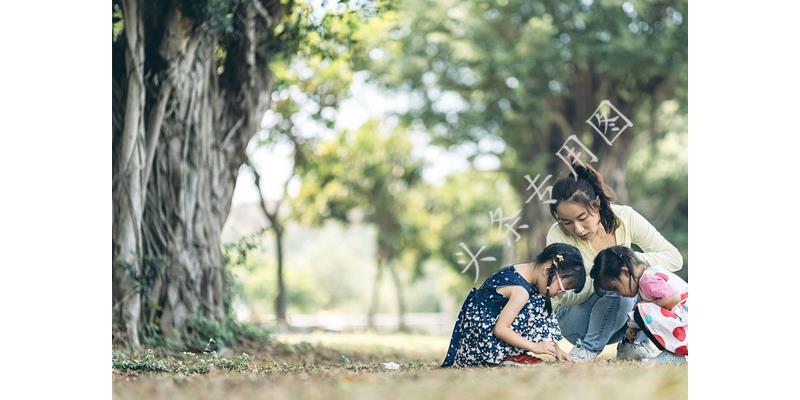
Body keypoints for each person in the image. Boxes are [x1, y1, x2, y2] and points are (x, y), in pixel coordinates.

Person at [546, 162, 683, 362]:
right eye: (566, 223)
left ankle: (632, 345)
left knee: (649, 279)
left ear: (597, 203)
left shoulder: (625, 218)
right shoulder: (557, 235)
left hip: (624, 321)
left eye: (582, 218)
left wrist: (631, 262)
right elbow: (566, 297)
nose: (578, 229)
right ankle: (588, 350)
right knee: (617, 284)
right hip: (575, 320)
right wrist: (604, 276)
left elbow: (674, 258)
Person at [441, 243, 586, 367]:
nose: (559, 294)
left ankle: (512, 353)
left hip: (486, 330)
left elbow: (540, 317)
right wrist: (534, 346)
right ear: (547, 271)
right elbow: (500, 329)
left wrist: (556, 349)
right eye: (561, 288)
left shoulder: (525, 275)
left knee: (541, 300)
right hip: (481, 341)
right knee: (537, 301)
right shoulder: (520, 292)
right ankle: (505, 356)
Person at [590, 246, 688, 364]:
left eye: (615, 288)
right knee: (641, 309)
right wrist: (633, 327)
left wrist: (646, 305)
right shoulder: (647, 277)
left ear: (625, 272)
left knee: (642, 309)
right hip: (683, 320)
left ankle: (676, 354)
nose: (619, 294)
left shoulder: (647, 280)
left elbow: (673, 298)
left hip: (685, 321)